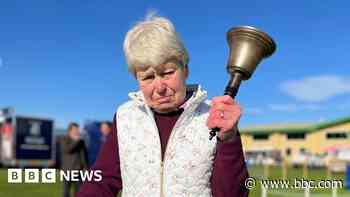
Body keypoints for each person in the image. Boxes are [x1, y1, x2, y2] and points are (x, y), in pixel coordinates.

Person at [77, 13, 249, 197]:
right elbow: (102, 180)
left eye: (167, 72)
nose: (159, 87)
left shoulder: (214, 117)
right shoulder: (125, 116)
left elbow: (233, 193)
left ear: (186, 70)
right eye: (148, 77)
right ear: (136, 78)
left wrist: (228, 140)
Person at [60, 122, 88, 197]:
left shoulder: (81, 141)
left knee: (79, 192)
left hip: (78, 170)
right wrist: (76, 141)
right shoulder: (64, 139)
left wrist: (86, 167)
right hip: (67, 170)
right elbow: (68, 150)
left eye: (78, 129)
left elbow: (84, 156)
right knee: (66, 192)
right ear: (70, 130)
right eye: (75, 129)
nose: (77, 131)